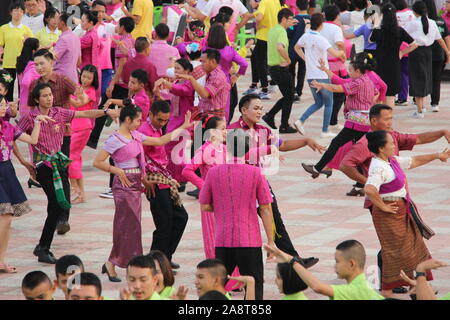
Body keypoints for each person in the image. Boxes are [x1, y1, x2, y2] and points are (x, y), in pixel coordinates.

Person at [18, 83, 120, 264]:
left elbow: (85, 113)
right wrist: (24, 162)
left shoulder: (59, 112)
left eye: (50, 94)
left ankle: (42, 246)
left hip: (59, 163)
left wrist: (105, 113)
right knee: (57, 204)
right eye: (44, 96)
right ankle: (43, 248)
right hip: (42, 165)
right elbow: (12, 135)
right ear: (36, 99)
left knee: (57, 205)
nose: (49, 98)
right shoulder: (30, 117)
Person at [93, 101, 191, 281]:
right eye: (138, 120)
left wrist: (183, 127)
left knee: (133, 227)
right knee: (125, 227)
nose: (141, 123)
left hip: (135, 184)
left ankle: (128, 264)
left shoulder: (135, 135)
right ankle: (114, 263)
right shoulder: (115, 139)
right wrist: (117, 170)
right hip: (123, 185)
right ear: (128, 119)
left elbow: (161, 140)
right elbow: (97, 162)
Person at [228, 94, 324, 266]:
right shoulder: (231, 131)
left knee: (275, 221)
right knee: (239, 225)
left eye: (261, 109)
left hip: (259, 182)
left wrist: (306, 141)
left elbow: (283, 145)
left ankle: (293, 260)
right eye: (255, 108)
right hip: (238, 185)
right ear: (243, 110)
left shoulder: (263, 130)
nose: (259, 112)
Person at [364, 130, 450, 297]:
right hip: (390, 215)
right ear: (382, 148)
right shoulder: (378, 167)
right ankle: (388, 290)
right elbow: (369, 189)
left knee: (412, 248)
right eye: (391, 143)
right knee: (396, 252)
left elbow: (413, 161)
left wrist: (438, 155)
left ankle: (416, 286)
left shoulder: (390, 161)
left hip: (401, 210)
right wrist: (384, 207)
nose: (394, 145)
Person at [199, 128, 274, 300]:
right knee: (254, 285)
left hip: (222, 239)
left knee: (216, 287)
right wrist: (270, 241)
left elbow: (205, 205)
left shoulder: (213, 172)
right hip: (249, 239)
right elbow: (265, 208)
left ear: (227, 146)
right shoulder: (255, 173)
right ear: (248, 148)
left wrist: (221, 208)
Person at [301, 52, 379, 179]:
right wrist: (326, 70)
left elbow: (338, 88)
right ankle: (361, 183)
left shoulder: (358, 83)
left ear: (358, 71)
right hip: (364, 120)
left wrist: (323, 85)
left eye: (351, 70)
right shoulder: (366, 80)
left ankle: (318, 168)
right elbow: (340, 81)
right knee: (357, 150)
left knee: (336, 143)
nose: (349, 73)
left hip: (356, 121)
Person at [0, 95, 52, 274]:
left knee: (8, 217)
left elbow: (32, 140)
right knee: (5, 216)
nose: (3, 107)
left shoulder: (8, 127)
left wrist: (37, 122)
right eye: (0, 105)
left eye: (3, 104)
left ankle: (1, 260)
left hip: (7, 171)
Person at [138, 101, 190, 270]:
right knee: (164, 224)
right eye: (160, 120)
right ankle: (157, 261)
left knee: (180, 217)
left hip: (164, 179)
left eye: (165, 121)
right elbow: (137, 157)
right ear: (151, 114)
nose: (162, 123)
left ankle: (164, 256)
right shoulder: (143, 132)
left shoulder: (157, 127)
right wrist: (143, 179)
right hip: (154, 181)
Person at [264, 239, 385, 300]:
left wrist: (291, 260)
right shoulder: (362, 285)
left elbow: (317, 287)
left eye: (337, 261)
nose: (335, 266)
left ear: (352, 263)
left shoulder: (356, 290)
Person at [293, 13, 346, 137]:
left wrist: (306, 59)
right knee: (329, 103)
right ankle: (325, 130)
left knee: (318, 103)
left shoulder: (305, 36)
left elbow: (297, 47)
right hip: (322, 75)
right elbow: (334, 53)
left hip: (311, 75)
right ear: (321, 24)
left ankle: (301, 120)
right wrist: (343, 51)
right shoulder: (320, 39)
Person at [404, 1, 450, 118]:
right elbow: (440, 39)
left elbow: (402, 35)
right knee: (426, 78)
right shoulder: (433, 22)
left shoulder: (413, 24)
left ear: (414, 12)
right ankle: (423, 106)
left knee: (416, 79)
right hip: (428, 52)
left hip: (416, 52)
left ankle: (420, 110)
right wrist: (447, 52)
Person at [154, 58, 195, 182]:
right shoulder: (177, 81)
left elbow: (181, 91)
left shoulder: (189, 83)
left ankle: (181, 178)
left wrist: (166, 83)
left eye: (178, 68)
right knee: (168, 148)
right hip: (174, 119)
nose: (175, 71)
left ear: (187, 70)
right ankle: (172, 176)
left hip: (183, 120)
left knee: (179, 151)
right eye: (175, 68)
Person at [370, 2, 417, 108]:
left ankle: (379, 120)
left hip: (380, 64)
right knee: (390, 95)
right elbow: (414, 44)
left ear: (383, 15)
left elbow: (370, 40)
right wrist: (402, 52)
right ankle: (388, 121)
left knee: (379, 93)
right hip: (394, 64)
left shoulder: (379, 29)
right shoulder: (399, 30)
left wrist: (376, 23)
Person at [262, 8, 297, 133]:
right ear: (283, 19)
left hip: (272, 68)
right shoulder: (281, 31)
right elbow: (280, 47)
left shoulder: (273, 30)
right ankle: (283, 125)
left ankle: (270, 116)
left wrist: (291, 23)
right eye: (290, 19)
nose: (291, 21)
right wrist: (288, 60)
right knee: (289, 96)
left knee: (288, 96)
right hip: (280, 68)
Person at [205, 23, 248, 123]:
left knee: (208, 108)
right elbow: (244, 64)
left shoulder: (205, 50)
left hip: (208, 82)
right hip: (225, 82)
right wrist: (236, 76)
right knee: (223, 110)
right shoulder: (229, 50)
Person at [69, 65, 99, 204]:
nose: (85, 79)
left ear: (94, 79)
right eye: (84, 76)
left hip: (83, 127)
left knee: (71, 157)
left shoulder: (92, 91)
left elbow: (79, 103)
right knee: (75, 158)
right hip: (73, 126)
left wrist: (71, 96)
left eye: (89, 77)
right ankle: (81, 194)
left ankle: (76, 189)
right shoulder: (77, 86)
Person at [244, 0, 286, 100]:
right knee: (255, 57)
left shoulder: (264, 2)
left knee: (260, 62)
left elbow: (259, 16)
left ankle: (264, 89)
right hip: (273, 36)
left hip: (264, 36)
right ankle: (254, 85)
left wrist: (258, 25)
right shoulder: (277, 2)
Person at [177, 49, 230, 120]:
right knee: (196, 130)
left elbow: (205, 94)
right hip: (204, 114)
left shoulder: (217, 76)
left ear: (213, 61)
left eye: (203, 62)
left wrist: (191, 79)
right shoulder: (210, 73)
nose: (201, 64)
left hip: (213, 119)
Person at [321, 5, 348, 131]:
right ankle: (333, 120)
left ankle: (332, 120)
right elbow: (339, 43)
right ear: (337, 16)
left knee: (331, 93)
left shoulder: (320, 27)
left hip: (324, 64)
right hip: (337, 65)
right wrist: (343, 54)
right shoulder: (335, 28)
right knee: (341, 93)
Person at [0, 2, 33, 102]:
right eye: (16, 10)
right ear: (11, 12)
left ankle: (21, 108)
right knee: (8, 86)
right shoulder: (3, 28)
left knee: (22, 86)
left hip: (22, 64)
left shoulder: (26, 29)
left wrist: (26, 41)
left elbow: (32, 45)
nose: (18, 13)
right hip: (8, 63)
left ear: (23, 13)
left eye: (21, 11)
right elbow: (1, 45)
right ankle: (7, 108)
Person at [424, 0, 450, 112]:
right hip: (439, 54)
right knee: (436, 79)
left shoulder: (423, 22)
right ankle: (435, 103)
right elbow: (447, 38)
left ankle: (419, 102)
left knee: (424, 77)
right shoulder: (441, 21)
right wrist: (448, 52)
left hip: (425, 54)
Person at [391, 0, 415, 106]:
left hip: (397, 48)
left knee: (401, 73)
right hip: (411, 46)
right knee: (409, 73)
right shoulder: (411, 13)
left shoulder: (393, 15)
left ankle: (402, 97)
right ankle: (416, 96)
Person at [287, 0, 310, 103]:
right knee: (302, 71)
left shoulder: (293, 20)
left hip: (293, 49)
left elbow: (289, 34)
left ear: (296, 6)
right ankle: (299, 91)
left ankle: (292, 92)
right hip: (306, 51)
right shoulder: (312, 19)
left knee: (291, 71)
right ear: (308, 6)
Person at [53, 12, 82, 84]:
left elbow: (54, 57)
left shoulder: (63, 39)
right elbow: (79, 61)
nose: (56, 22)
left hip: (62, 77)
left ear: (62, 23)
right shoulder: (76, 37)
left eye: (58, 20)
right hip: (73, 77)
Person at [16, 38, 40, 118]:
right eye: (38, 47)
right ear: (33, 51)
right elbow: (25, 83)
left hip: (23, 103)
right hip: (30, 106)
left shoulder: (21, 62)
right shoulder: (32, 66)